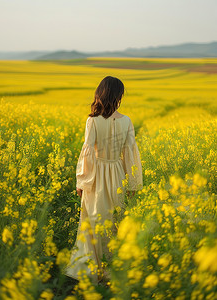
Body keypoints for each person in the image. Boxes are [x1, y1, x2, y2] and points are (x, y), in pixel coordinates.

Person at [64, 76, 143, 284]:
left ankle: (91, 270)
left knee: (92, 222)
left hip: (96, 177)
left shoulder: (92, 120)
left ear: (101, 94)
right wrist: (132, 183)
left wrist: (82, 182)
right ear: (118, 96)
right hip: (117, 175)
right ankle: (112, 271)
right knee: (114, 222)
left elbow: (87, 153)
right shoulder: (127, 121)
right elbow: (130, 155)